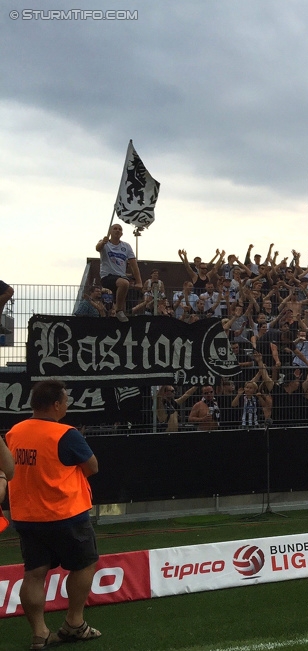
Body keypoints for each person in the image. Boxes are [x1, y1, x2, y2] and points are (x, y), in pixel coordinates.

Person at [3, 379, 102, 648]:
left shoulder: (15, 432)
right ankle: (74, 623)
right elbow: (92, 467)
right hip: (65, 513)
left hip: (26, 515)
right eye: (66, 400)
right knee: (84, 564)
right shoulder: (65, 434)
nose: (67, 404)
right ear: (56, 404)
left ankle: (40, 633)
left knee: (34, 574)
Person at [95, 223, 142, 322]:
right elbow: (98, 248)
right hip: (107, 277)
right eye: (115, 229)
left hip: (120, 277)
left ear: (122, 233)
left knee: (122, 301)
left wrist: (139, 281)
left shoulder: (126, 246)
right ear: (110, 232)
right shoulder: (105, 243)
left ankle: (120, 318)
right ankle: (118, 310)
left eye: (120, 229)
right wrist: (103, 242)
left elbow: (134, 265)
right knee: (124, 283)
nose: (117, 230)